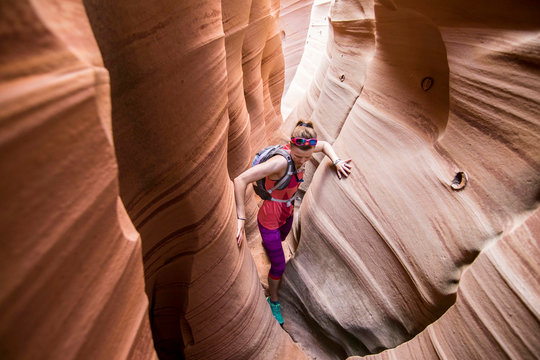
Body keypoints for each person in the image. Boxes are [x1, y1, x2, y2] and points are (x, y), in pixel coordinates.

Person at [233, 120, 352, 325]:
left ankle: (270, 247)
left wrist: (337, 161)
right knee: (278, 265)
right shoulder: (279, 163)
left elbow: (324, 146)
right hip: (269, 217)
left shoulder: (308, 149)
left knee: (281, 238)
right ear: (290, 145)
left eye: (307, 157)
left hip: (287, 212)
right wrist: (240, 218)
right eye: (298, 156)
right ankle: (274, 300)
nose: (302, 161)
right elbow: (240, 180)